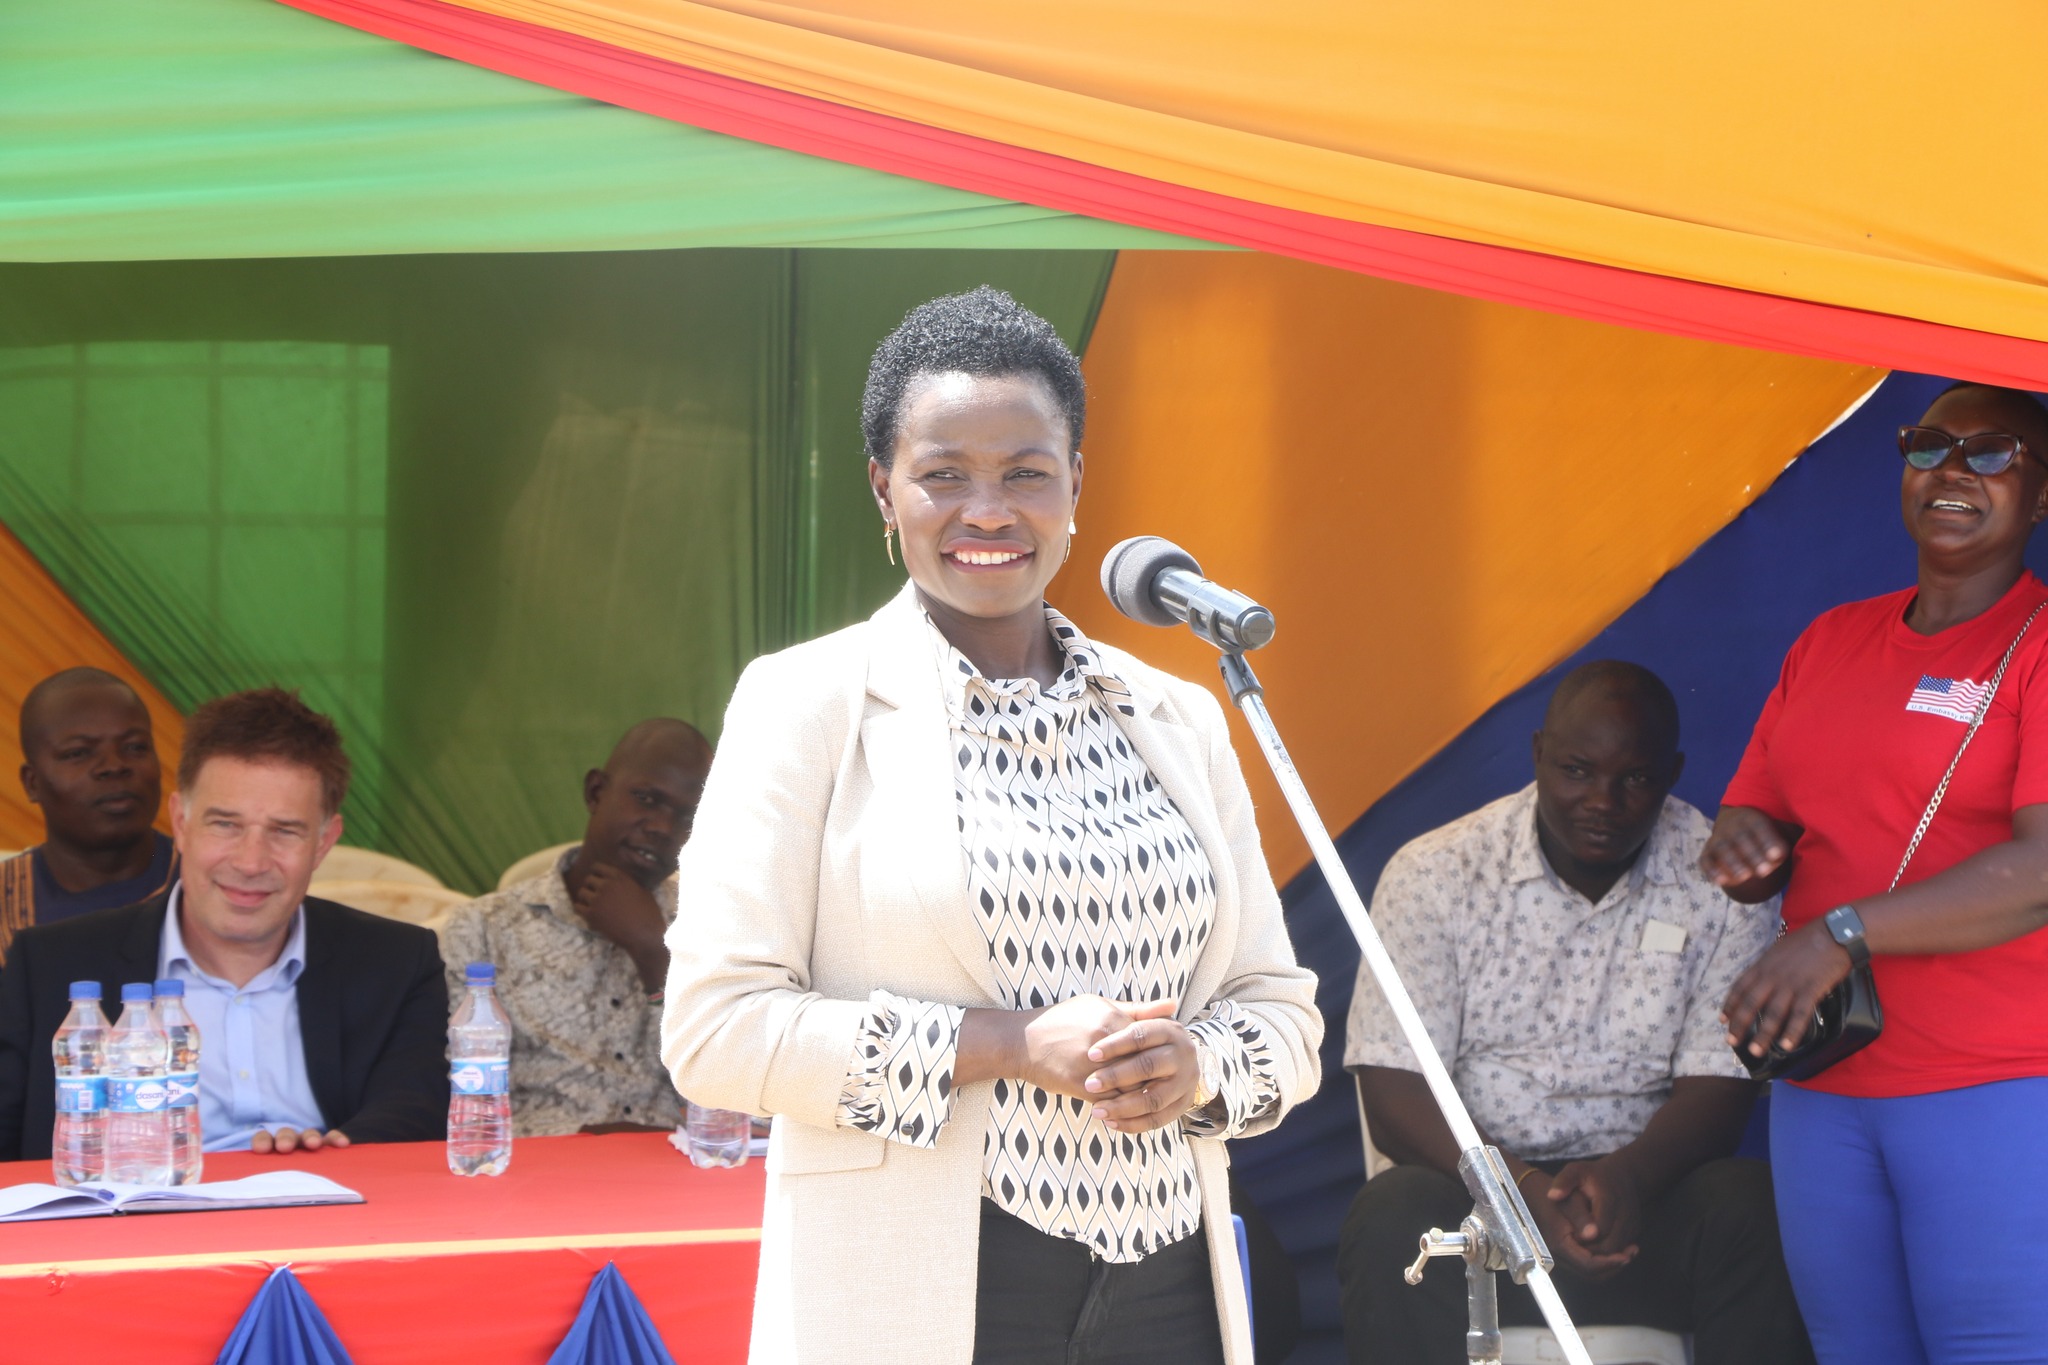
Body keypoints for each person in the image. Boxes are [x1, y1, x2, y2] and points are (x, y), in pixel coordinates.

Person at [659, 287, 1321, 1365]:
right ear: (883, 491)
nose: (987, 510)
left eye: (1023, 473)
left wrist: (1192, 1065)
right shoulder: (806, 705)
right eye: (942, 475)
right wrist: (1010, 1045)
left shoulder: (1175, 715)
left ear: (1074, 486)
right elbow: (714, 1031)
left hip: (1167, 1288)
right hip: (925, 1285)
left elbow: (1280, 1013)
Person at [1701, 382, 2048, 1365]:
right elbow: (1759, 807)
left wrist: (1839, 932)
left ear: (2039, 496)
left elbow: (2039, 869)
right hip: (1827, 1081)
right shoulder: (1829, 641)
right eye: (1928, 445)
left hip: (1996, 1086)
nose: (1950, 470)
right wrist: (1740, 847)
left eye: (1991, 454)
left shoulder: (2038, 649)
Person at [1339, 661, 1809, 1365]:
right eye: (1577, 769)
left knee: (1755, 1207)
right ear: (1537, 755)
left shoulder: (1720, 883)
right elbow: (1394, 1090)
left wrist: (1629, 1176)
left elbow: (1723, 1086)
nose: (1603, 800)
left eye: (1636, 779)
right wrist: (1519, 1193)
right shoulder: (1436, 871)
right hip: (1482, 1204)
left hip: (1641, 1203)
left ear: (1673, 772)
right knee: (1390, 1217)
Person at [0, 687, 447, 1160]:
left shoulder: (397, 961)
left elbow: (414, 1110)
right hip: (126, 1224)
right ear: (181, 822)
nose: (251, 862)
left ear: (323, 842)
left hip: (328, 1213)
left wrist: (331, 1153)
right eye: (225, 825)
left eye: (284, 831)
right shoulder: (51, 966)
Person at [440, 718, 712, 1136]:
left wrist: (654, 952)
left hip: (671, 1174)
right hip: (534, 1176)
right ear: (596, 792)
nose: (662, 827)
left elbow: (732, 1100)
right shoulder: (483, 929)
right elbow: (459, 1095)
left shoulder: (708, 929)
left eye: (688, 817)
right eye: (646, 799)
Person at [1, 668, 179, 967]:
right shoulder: (7, 904)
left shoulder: (213, 886)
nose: (113, 766)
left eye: (135, 747)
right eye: (78, 753)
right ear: (32, 783)